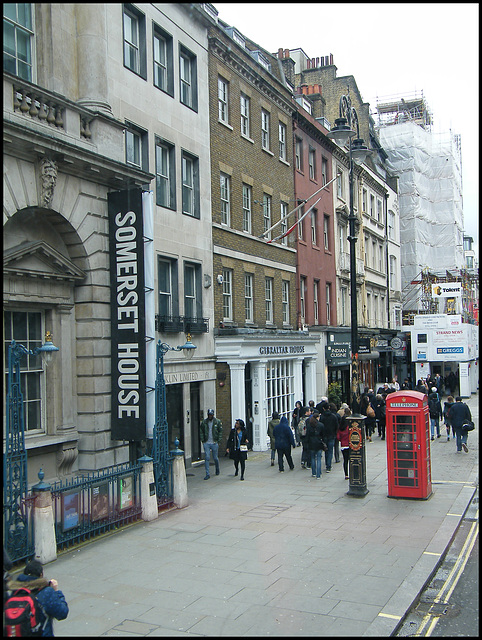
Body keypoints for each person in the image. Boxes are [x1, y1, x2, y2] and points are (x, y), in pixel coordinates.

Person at [6, 559, 69, 636]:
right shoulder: (46, 592)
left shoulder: (16, 591)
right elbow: (62, 613)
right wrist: (56, 591)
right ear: (41, 575)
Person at [199, 409, 223, 480]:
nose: (210, 416)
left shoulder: (217, 422)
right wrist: (203, 440)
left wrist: (218, 440)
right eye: (209, 414)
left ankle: (217, 469)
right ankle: (207, 473)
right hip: (206, 442)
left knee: (215, 457)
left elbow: (220, 431)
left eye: (211, 415)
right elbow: (201, 431)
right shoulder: (204, 422)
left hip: (214, 442)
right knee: (207, 457)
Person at [305, 411, 326, 479]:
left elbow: (307, 435)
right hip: (318, 442)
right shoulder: (321, 425)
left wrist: (307, 443)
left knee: (313, 458)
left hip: (311, 443)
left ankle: (313, 472)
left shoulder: (309, 425)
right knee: (319, 459)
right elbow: (323, 435)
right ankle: (318, 474)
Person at [319, 402, 338, 473]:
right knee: (330, 451)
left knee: (326, 450)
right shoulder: (333, 416)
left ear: (323, 408)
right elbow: (336, 426)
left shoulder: (322, 417)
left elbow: (320, 426)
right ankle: (328, 466)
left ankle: (327, 463)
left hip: (324, 436)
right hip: (332, 435)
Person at [336, 411, 351, 479]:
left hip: (343, 446)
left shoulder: (340, 428)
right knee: (351, 460)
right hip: (349, 445)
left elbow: (338, 437)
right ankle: (351, 472)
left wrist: (342, 440)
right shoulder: (348, 428)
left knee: (345, 460)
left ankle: (346, 474)